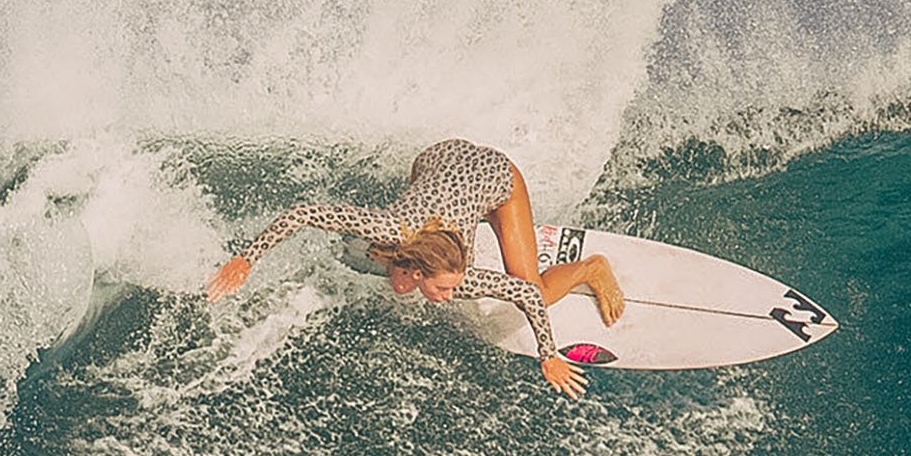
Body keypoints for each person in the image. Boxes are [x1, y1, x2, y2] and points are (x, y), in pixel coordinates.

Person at [203, 139, 624, 398]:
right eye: (442, 288)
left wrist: (547, 355)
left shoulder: (462, 277)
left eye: (450, 289)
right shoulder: (386, 228)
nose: (446, 297)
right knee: (389, 271)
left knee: (536, 285)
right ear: (418, 269)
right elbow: (304, 213)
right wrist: (247, 258)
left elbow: (528, 296)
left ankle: (590, 269)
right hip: (439, 158)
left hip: (498, 179)